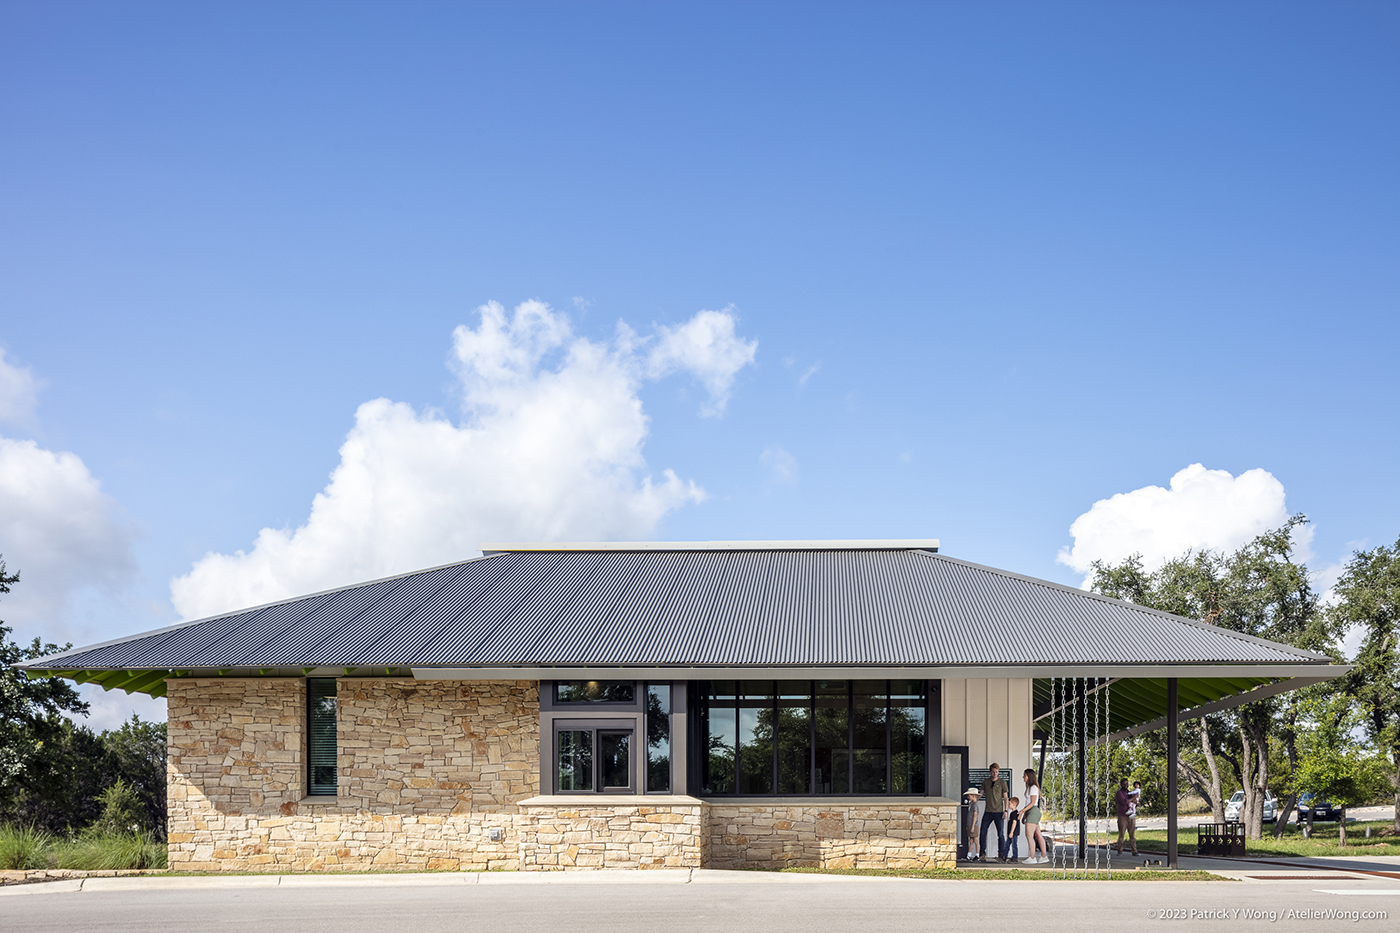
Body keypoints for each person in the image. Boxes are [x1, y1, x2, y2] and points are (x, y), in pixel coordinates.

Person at [980, 763, 1010, 862]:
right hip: (988, 811)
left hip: (999, 811)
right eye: (993, 771)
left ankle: (1001, 854)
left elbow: (1005, 797)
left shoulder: (1002, 782)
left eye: (996, 772)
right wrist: (973, 800)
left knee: (1000, 834)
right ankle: (982, 853)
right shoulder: (986, 782)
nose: (995, 773)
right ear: (990, 771)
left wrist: (1006, 810)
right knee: (983, 832)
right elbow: (981, 794)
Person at [1020, 768, 1049, 863]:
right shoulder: (1029, 787)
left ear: (1029, 776)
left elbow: (1032, 803)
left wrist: (1022, 811)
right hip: (1030, 812)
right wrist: (1025, 815)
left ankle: (1032, 857)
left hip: (1033, 811)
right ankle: (1043, 856)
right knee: (1038, 835)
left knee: (1029, 835)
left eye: (1024, 775)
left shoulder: (1033, 788)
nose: (1023, 777)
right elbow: (1028, 802)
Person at [1115, 778, 1138, 856]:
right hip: (1122, 816)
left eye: (1127, 784)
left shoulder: (1130, 793)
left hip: (1131, 816)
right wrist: (1133, 798)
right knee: (1122, 834)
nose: (1126, 785)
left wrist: (1136, 801)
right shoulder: (1119, 793)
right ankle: (1120, 851)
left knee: (1132, 834)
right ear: (1121, 784)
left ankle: (1134, 851)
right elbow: (1125, 802)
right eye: (1124, 784)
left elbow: (1134, 802)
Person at [964, 786, 982, 861]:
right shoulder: (972, 804)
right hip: (970, 824)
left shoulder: (975, 805)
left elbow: (975, 816)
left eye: (969, 795)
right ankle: (969, 855)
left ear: (973, 796)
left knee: (976, 840)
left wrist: (972, 826)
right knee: (971, 840)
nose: (968, 797)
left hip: (973, 825)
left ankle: (977, 855)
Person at [1005, 796, 1022, 861]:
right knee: (1007, 844)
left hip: (1014, 833)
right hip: (1010, 833)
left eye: (1009, 804)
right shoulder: (1012, 813)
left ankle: (1015, 858)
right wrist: (1008, 832)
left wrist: (1011, 832)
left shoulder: (1015, 813)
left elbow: (1014, 823)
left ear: (1014, 804)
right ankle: (1004, 856)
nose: (1008, 805)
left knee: (1014, 845)